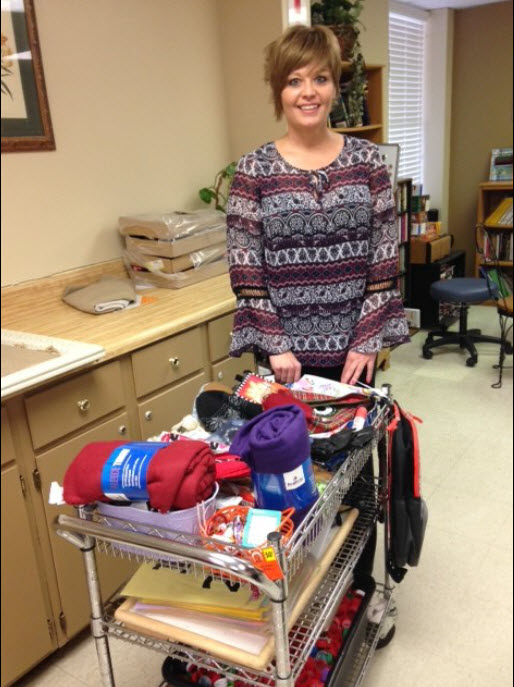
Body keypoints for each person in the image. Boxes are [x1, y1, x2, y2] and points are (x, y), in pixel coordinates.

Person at [226, 24, 410, 389]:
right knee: (286, 445)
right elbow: (245, 267)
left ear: (334, 86)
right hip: (283, 360)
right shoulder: (254, 169)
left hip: (356, 355)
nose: (308, 93)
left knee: (351, 441)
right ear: (278, 90)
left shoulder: (368, 161)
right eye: (294, 81)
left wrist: (366, 341)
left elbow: (384, 259)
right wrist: (276, 348)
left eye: (320, 78)